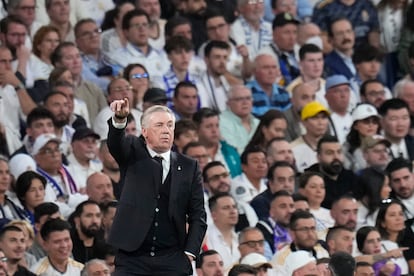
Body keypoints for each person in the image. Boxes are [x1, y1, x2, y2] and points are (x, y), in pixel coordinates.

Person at [107, 100, 207, 275]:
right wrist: (119, 120)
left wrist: (190, 253)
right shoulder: (132, 152)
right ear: (144, 131)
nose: (166, 130)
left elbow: (197, 214)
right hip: (132, 258)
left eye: (170, 125)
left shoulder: (189, 166)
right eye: (159, 125)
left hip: (172, 259)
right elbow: (116, 144)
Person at [375, 200, 409, 274]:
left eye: (401, 214)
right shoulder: (378, 247)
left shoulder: (401, 245)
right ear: (383, 223)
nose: (398, 218)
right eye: (392, 215)